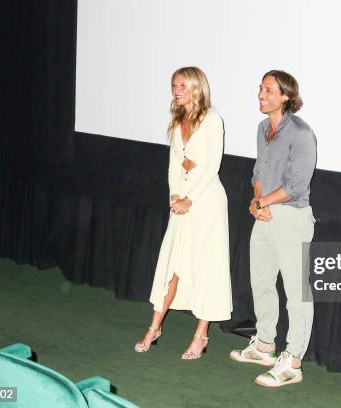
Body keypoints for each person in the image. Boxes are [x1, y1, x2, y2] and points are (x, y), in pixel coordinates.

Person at [135, 66, 232, 359]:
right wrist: (175, 195)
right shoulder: (178, 120)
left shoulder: (213, 120)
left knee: (207, 266)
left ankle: (200, 336)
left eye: (182, 86)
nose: (176, 90)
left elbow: (212, 165)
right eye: (174, 85)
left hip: (207, 202)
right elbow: (174, 164)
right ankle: (154, 328)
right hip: (182, 202)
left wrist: (189, 198)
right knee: (171, 263)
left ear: (196, 88)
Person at [230, 70, 317, 387]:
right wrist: (257, 202)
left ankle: (293, 362)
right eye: (260, 89)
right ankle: (265, 345)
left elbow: (297, 185)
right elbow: (258, 172)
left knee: (298, 294)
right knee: (261, 281)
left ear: (285, 95)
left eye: (268, 90)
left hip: (292, 218)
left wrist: (264, 201)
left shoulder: (301, 133)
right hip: (265, 214)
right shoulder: (262, 128)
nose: (261, 95)